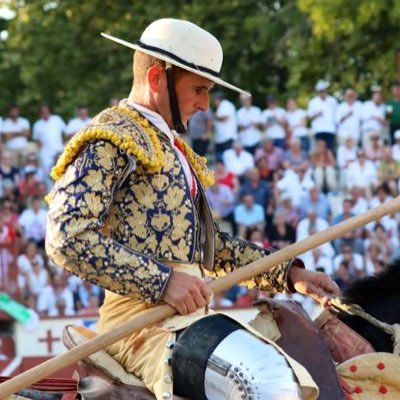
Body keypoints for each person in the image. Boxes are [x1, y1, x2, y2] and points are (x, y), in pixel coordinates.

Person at [46, 18, 339, 400]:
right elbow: (66, 236)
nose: (204, 104)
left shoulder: (172, 148)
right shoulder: (111, 136)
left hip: (185, 324)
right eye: (198, 89)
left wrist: (288, 274)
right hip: (142, 329)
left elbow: (210, 248)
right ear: (156, 79)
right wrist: (162, 281)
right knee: (266, 379)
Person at [212, 91, 237, 161]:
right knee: (220, 160)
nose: (214, 102)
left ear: (218, 99)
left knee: (226, 159)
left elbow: (224, 118)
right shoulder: (221, 106)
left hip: (227, 137)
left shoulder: (227, 105)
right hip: (221, 138)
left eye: (214, 100)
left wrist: (214, 116)